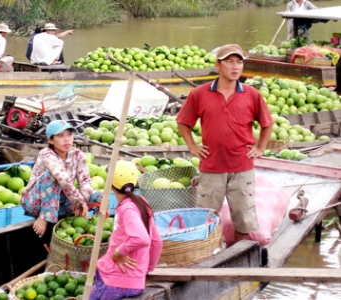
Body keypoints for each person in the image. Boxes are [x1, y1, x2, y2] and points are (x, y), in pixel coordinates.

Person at [176, 44, 274, 245]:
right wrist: (192, 147)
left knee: (243, 219)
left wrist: (260, 148)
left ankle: (239, 259)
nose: (235, 66)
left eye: (239, 62)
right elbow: (183, 122)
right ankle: (207, 255)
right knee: (206, 218)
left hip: (242, 167)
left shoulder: (252, 94)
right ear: (218, 65)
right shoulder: (200, 94)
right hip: (211, 167)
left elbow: (267, 124)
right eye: (229, 61)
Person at [90, 160, 163, 300]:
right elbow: (157, 242)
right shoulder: (141, 202)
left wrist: (119, 252)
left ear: (110, 185)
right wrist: (145, 270)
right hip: (133, 282)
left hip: (116, 280)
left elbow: (142, 238)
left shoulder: (127, 209)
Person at [20, 120, 101, 243]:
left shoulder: (77, 155)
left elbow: (85, 181)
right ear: (50, 140)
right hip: (36, 203)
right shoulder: (46, 154)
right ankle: (44, 217)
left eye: (69, 135)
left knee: (100, 196)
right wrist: (78, 202)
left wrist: (82, 201)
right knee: (52, 177)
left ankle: (94, 226)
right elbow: (62, 178)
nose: (67, 139)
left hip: (61, 204)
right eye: (60, 136)